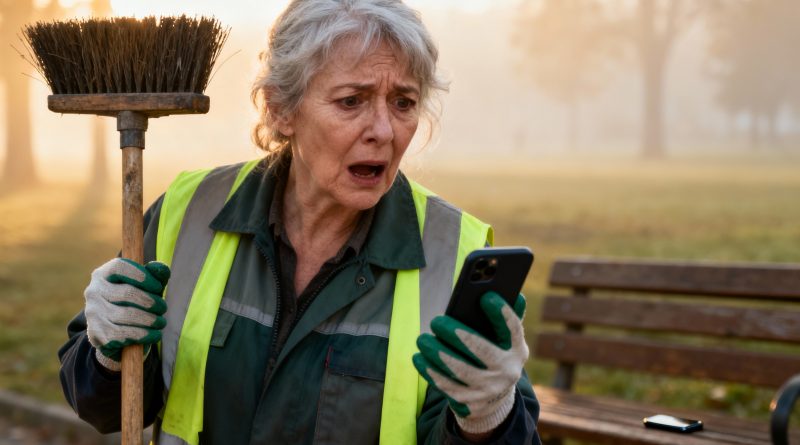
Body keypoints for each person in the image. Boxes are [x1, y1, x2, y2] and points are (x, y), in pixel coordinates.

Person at [58, 0, 541, 443]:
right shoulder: (189, 211)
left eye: (404, 103)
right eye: (352, 101)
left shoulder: (454, 251)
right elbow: (101, 408)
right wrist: (105, 352)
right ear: (280, 108)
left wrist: (488, 414)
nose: (383, 130)